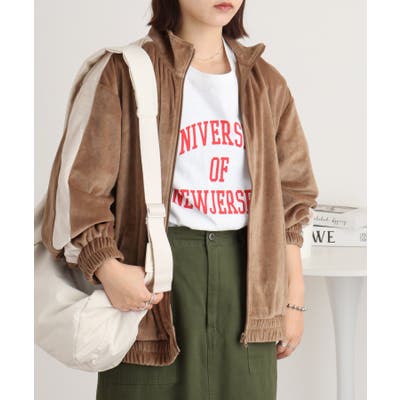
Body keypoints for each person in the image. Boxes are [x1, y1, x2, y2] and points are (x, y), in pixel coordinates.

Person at [41, 0, 319, 399]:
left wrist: (294, 298)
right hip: (153, 281)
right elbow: (79, 189)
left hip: (250, 286)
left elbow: (292, 199)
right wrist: (108, 269)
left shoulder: (265, 82)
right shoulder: (124, 72)